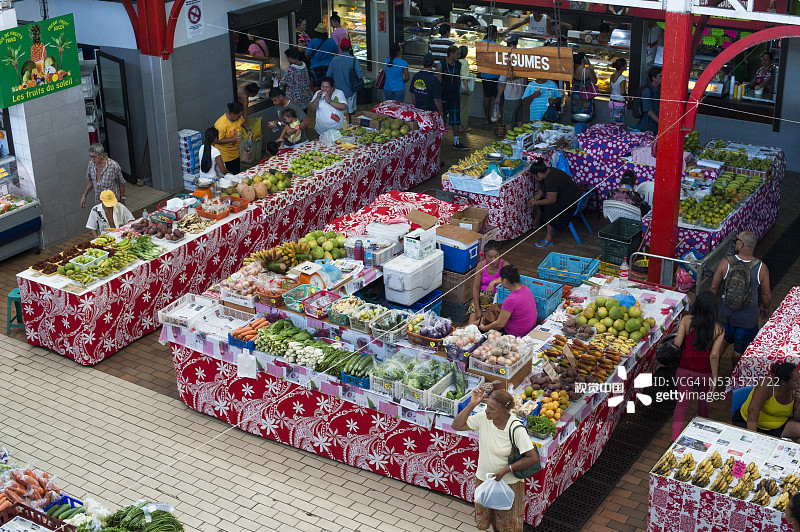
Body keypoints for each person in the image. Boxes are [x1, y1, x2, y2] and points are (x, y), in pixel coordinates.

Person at [452, 387, 539, 532]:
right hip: (485, 480)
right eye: (487, 406)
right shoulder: (483, 418)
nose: (487, 411)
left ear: (504, 411)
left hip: (507, 485)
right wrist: (472, 404)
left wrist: (506, 470)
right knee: (491, 519)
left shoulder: (516, 428)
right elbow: (457, 425)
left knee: (506, 526)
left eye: (491, 409)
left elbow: (532, 458)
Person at [710, 230, 772, 366]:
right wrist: (765, 308)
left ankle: (714, 374)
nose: (736, 242)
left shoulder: (726, 262)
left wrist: (712, 308)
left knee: (720, 344)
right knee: (740, 351)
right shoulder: (761, 267)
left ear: (741, 244)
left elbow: (714, 288)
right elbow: (766, 294)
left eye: (737, 240)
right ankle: (734, 373)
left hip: (725, 314)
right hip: (747, 318)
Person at [670, 291, 726, 440]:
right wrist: (715, 377)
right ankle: (702, 436)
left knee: (681, 406)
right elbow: (714, 355)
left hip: (684, 370)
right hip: (705, 373)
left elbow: (677, 343)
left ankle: (674, 439)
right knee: (703, 405)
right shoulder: (719, 329)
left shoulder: (687, 321)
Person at [732, 362, 800, 442]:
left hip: (778, 427)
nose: (799, 381)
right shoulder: (766, 385)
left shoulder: (796, 389)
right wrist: (753, 437)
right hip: (750, 423)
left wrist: (799, 402)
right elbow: (752, 411)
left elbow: (797, 418)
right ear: (783, 383)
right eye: (795, 380)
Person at [529, 157, 583, 247]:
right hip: (563, 197)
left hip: (570, 201)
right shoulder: (548, 171)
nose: (535, 178)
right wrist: (536, 198)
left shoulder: (552, 179)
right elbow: (542, 189)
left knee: (550, 209)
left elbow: (551, 200)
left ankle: (548, 238)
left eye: (535, 176)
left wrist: (536, 203)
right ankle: (537, 221)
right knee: (540, 201)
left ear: (539, 174)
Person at [478, 265, 537, 337]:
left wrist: (484, 328)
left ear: (505, 281)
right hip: (530, 329)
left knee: (483, 328)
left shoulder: (510, 300)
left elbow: (500, 324)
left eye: (501, 279)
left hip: (516, 334)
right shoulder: (526, 289)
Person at [496, 36, 527, 134]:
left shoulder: (506, 61)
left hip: (510, 96)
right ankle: (520, 137)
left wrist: (498, 97)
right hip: (520, 95)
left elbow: (502, 84)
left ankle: (508, 139)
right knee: (519, 119)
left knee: (508, 120)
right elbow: (525, 79)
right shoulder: (522, 58)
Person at [80, 143, 126, 209]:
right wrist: (84, 195)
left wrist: (122, 198)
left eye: (94, 157)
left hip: (111, 202)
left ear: (101, 155)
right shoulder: (91, 165)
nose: (92, 159)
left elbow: (121, 182)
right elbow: (91, 182)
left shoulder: (113, 166)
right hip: (99, 203)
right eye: (90, 157)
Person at [468, 241, 503, 326]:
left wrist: (492, 283)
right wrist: (477, 309)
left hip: (496, 302)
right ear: (484, 256)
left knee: (480, 324)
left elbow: (507, 277)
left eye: (496, 256)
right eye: (490, 257)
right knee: (472, 324)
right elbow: (476, 288)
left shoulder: (504, 265)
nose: (493, 260)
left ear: (500, 255)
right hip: (481, 299)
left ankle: (463, 328)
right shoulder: (481, 265)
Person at [440, 46, 468, 151]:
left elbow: (458, 78)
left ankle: (456, 141)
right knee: (442, 119)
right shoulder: (441, 65)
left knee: (456, 120)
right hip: (444, 96)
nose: (458, 56)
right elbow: (439, 81)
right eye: (457, 54)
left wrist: (457, 90)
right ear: (451, 54)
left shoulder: (458, 64)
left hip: (454, 96)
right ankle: (438, 141)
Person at [326, 44, 363, 118]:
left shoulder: (334, 60)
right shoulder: (354, 60)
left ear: (340, 48)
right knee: (351, 111)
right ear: (350, 48)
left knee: (339, 111)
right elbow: (359, 76)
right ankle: (351, 125)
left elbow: (328, 75)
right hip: (350, 91)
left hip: (337, 91)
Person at [213, 101, 245, 174]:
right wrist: (233, 139)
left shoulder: (239, 118)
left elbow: (242, 122)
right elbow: (217, 140)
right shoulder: (221, 124)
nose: (240, 118)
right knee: (228, 177)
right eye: (238, 116)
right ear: (233, 114)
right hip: (225, 156)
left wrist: (248, 129)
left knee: (236, 174)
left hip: (235, 153)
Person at [478, 26, 500, 126]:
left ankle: (487, 119)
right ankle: (498, 119)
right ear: (495, 33)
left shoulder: (481, 44)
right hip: (495, 75)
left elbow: (478, 59)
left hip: (484, 74)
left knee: (486, 97)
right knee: (498, 98)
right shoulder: (496, 46)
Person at [570, 52, 597, 123]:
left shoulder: (573, 70)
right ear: (583, 60)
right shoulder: (587, 71)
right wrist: (591, 67)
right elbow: (594, 81)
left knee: (575, 114)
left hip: (576, 92)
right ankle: (585, 132)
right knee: (586, 115)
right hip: (585, 93)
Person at [638, 66, 662, 133]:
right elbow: (649, 111)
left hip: (657, 124)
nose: (662, 78)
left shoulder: (660, 89)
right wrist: (661, 123)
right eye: (660, 76)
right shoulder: (647, 91)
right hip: (648, 125)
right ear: (654, 78)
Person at [458, 46, 474, 131]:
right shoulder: (464, 62)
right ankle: (462, 126)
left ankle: (457, 125)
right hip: (462, 87)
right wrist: (467, 88)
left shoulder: (456, 61)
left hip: (456, 86)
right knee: (464, 107)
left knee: (458, 106)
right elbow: (464, 76)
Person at [609, 58, 628, 125]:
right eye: (626, 65)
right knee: (619, 125)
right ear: (622, 67)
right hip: (619, 104)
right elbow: (622, 92)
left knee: (613, 123)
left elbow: (611, 88)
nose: (627, 66)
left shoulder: (612, 76)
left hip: (611, 102)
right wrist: (628, 98)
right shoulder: (622, 78)